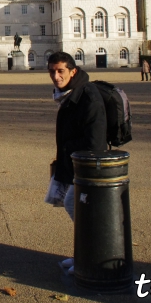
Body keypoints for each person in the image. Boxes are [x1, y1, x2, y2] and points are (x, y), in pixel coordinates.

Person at [46, 52, 107, 276]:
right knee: (78, 210)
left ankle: (94, 257)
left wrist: (67, 149)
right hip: (76, 163)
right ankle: (85, 255)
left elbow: (95, 140)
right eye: (52, 71)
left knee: (78, 208)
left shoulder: (87, 95)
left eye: (60, 71)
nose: (55, 76)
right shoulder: (71, 93)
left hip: (89, 166)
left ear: (73, 71)